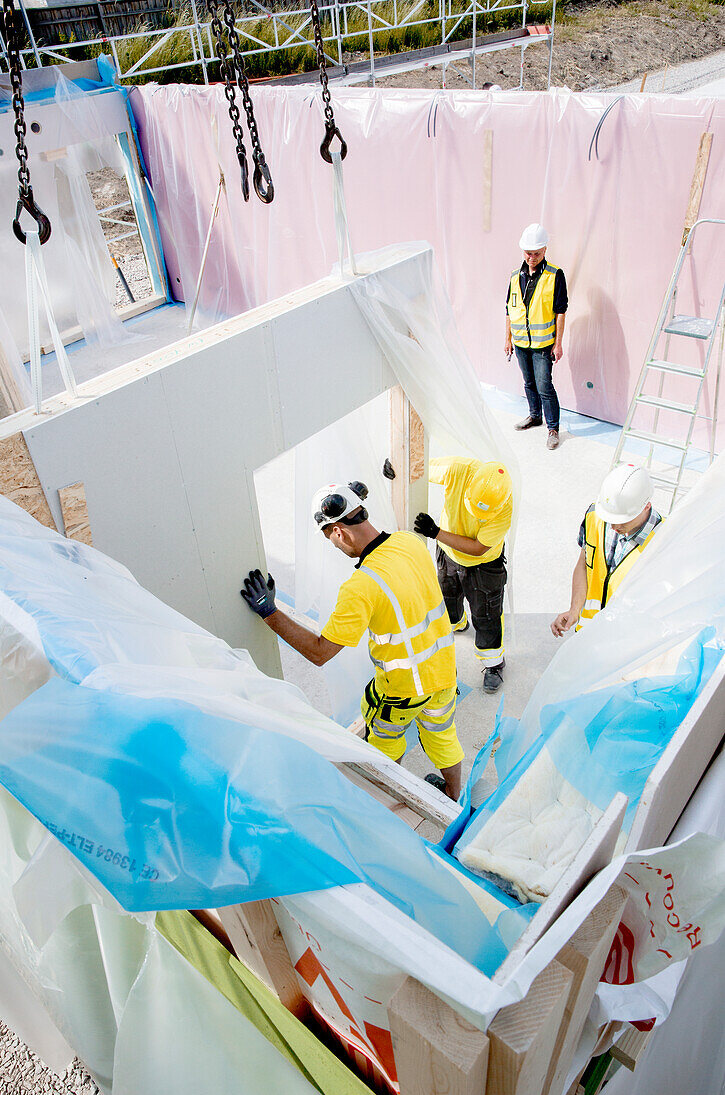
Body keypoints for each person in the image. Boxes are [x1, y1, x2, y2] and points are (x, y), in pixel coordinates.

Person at [241, 481, 464, 800]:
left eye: (331, 540)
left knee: (385, 745)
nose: (335, 546)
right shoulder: (409, 542)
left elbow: (320, 653)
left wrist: (269, 612)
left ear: (338, 532)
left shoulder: (362, 585)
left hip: (402, 690)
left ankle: (390, 802)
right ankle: (454, 798)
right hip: (443, 673)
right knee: (443, 735)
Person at [414, 458, 512, 695]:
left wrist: (436, 533)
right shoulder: (457, 470)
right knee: (447, 601)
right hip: (448, 555)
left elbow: (478, 548)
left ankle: (493, 663)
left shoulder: (504, 508)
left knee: (486, 615)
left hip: (483, 566)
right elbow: (420, 467)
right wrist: (397, 467)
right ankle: (458, 624)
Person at [551, 463, 662, 637]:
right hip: (588, 634)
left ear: (646, 506)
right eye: (610, 518)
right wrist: (575, 610)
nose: (614, 526)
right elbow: (584, 564)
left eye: (622, 521)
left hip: (625, 642)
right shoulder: (595, 515)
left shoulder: (662, 540)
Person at [504, 222, 568, 451]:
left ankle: (553, 428)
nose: (531, 257)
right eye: (528, 253)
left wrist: (558, 344)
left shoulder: (555, 275)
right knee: (529, 383)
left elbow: (561, 311)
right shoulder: (514, 277)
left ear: (545, 251)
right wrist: (508, 339)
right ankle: (534, 416)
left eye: (536, 253)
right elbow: (509, 310)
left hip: (543, 345)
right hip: (520, 343)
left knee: (544, 386)